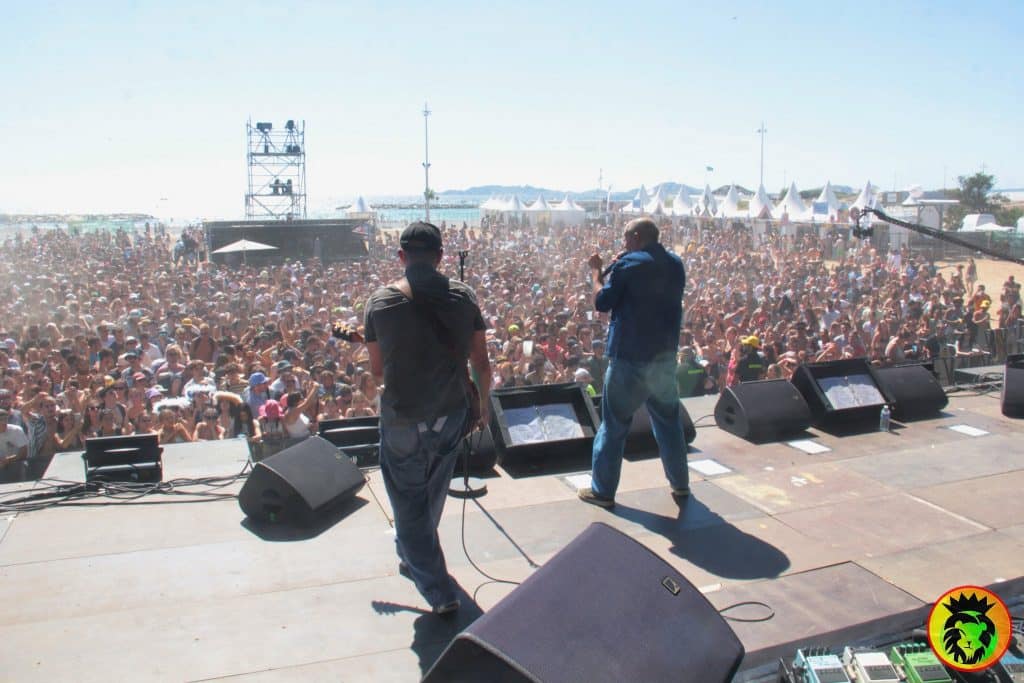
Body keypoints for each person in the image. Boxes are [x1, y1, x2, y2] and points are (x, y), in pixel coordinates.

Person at [363, 221, 491, 616]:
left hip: (403, 417)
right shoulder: (464, 298)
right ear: (440, 256)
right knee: (432, 493)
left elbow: (378, 372)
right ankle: (414, 553)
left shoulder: (381, 303)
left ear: (401, 256)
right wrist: (483, 405)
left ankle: (438, 591)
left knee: (407, 502)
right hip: (451, 414)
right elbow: (482, 364)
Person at [578, 218, 689, 508]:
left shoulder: (629, 264)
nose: (624, 244)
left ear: (636, 237)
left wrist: (596, 272)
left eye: (627, 239)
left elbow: (602, 302)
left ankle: (602, 491)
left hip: (629, 357)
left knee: (614, 426)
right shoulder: (675, 264)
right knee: (669, 424)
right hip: (663, 359)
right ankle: (680, 485)